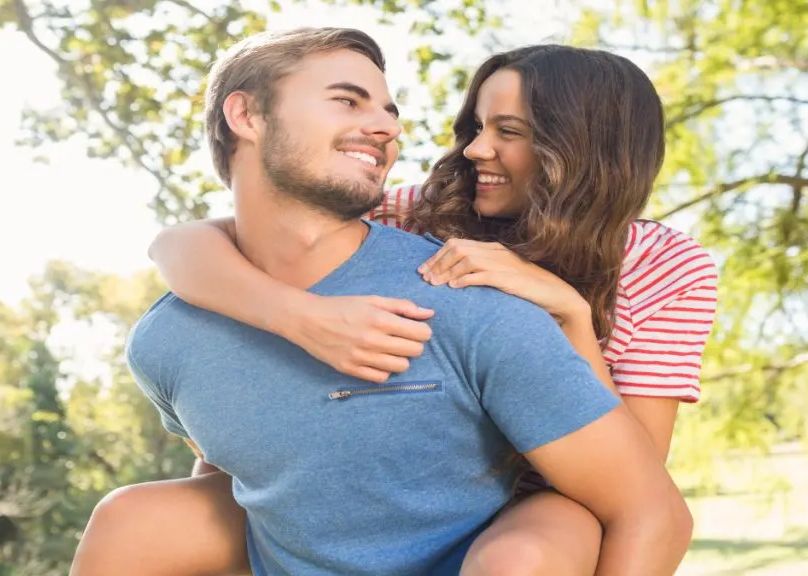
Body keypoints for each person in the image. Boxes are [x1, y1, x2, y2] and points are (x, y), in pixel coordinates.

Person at [72, 28, 701, 576]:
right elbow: (191, 244)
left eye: (508, 132)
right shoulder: (420, 216)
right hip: (375, 483)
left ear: (586, 151)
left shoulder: (664, 265)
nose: (475, 150)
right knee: (133, 519)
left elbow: (641, 483)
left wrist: (569, 316)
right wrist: (304, 319)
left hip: (551, 500)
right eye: (474, 128)